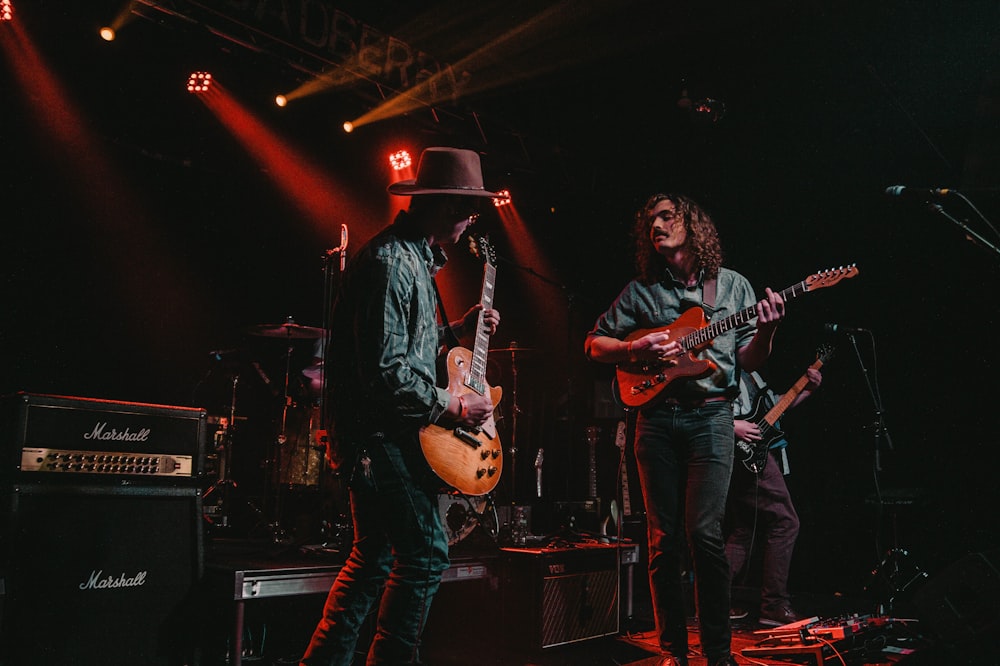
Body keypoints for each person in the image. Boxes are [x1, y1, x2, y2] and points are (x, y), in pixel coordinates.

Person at [299, 147, 501, 666]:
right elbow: (388, 373)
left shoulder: (410, 259)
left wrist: (458, 329)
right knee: (426, 555)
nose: (470, 221)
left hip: (382, 436)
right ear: (441, 205)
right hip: (379, 439)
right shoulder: (392, 263)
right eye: (466, 210)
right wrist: (454, 409)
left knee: (372, 559)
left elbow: (405, 345)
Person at [584, 193, 786, 666]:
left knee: (706, 535)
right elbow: (594, 344)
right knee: (663, 540)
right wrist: (635, 352)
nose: (656, 225)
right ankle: (673, 649)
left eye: (666, 216)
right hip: (654, 420)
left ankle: (718, 653)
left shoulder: (733, 287)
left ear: (692, 225)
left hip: (713, 418)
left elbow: (747, 359)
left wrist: (769, 331)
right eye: (650, 220)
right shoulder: (640, 292)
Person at [726, 365, 821, 627]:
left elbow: (774, 408)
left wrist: (808, 389)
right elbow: (705, 407)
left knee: (744, 530)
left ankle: (715, 601)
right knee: (786, 522)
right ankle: (774, 605)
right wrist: (733, 425)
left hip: (754, 453)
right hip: (744, 453)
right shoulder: (726, 364)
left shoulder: (753, 373)